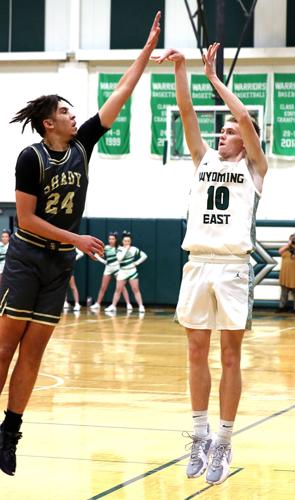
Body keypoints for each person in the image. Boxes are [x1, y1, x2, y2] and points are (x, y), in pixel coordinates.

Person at [0, 11, 161, 477]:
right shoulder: (30, 158)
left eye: (73, 112)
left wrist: (147, 49)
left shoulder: (83, 145)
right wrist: (76, 237)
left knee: (34, 352)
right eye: (67, 112)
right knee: (6, 347)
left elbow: (121, 94)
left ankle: (9, 434)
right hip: (28, 256)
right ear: (50, 124)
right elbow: (26, 219)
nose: (75, 115)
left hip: (59, 262)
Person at [153, 43, 268, 485]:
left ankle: (224, 440)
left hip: (233, 268)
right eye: (219, 133)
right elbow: (186, 113)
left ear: (246, 137)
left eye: (229, 133)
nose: (222, 136)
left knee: (231, 356)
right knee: (196, 352)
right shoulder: (204, 161)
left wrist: (216, 80)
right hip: (197, 263)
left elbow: (241, 118)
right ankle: (200, 437)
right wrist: (183, 69)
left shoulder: (255, 168)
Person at [105, 232, 147, 313]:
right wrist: (125, 250)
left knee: (136, 290)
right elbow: (119, 259)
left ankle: (141, 306)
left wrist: (136, 263)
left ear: (130, 242)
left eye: (128, 241)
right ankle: (113, 306)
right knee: (118, 290)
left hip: (132, 271)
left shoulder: (134, 249)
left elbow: (144, 256)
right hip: (122, 272)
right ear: (122, 241)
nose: (127, 242)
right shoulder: (119, 249)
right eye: (125, 241)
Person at [90, 232, 132, 311]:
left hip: (117, 269)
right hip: (108, 269)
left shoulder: (119, 248)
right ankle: (98, 304)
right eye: (110, 239)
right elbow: (97, 255)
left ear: (116, 240)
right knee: (103, 287)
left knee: (122, 287)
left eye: (113, 239)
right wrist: (103, 261)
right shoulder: (106, 247)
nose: (111, 240)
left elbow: (122, 258)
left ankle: (128, 304)